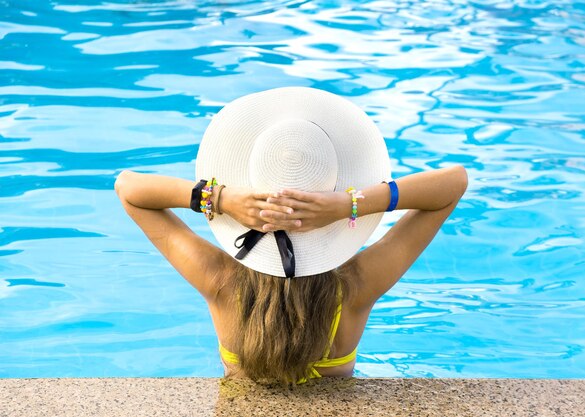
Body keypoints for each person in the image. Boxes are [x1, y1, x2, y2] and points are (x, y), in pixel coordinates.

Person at [114, 87, 467, 385]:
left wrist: (217, 197)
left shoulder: (220, 281)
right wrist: (351, 203)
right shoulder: (357, 287)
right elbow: (453, 183)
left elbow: (129, 188)